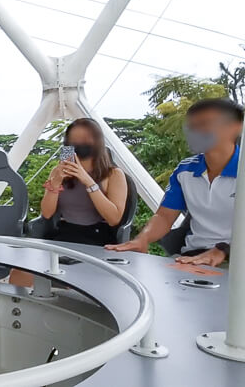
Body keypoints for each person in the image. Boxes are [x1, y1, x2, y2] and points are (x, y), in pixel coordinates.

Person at [107, 98, 243, 267]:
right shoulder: (185, 170)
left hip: (235, 260)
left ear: (234, 127)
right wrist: (143, 238)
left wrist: (224, 250)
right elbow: (164, 216)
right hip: (192, 256)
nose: (195, 131)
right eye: (192, 125)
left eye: (205, 123)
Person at [40, 118, 129, 246]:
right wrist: (55, 183)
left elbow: (114, 219)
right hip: (65, 233)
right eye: (74, 139)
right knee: (20, 266)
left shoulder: (114, 174)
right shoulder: (58, 171)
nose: (79, 143)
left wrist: (89, 182)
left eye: (85, 138)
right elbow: (47, 213)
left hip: (98, 237)